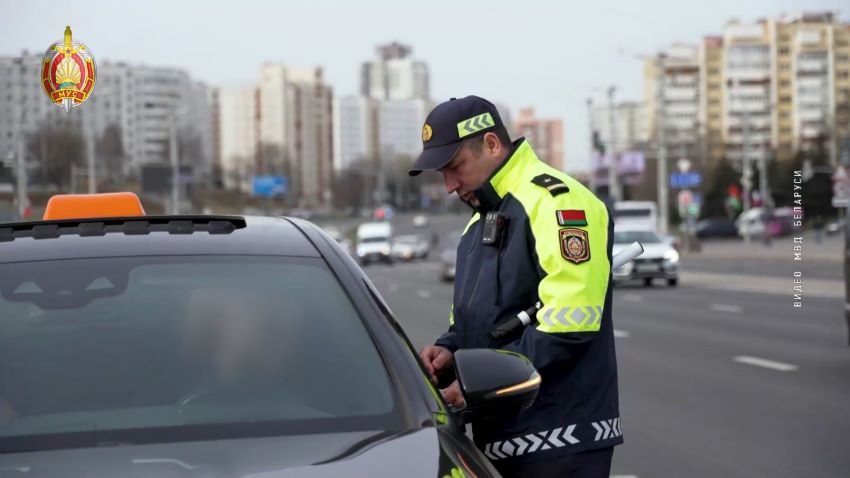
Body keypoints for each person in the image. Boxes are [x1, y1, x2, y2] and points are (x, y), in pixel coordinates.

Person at [410, 96, 621, 478]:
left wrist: (474, 386)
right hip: (501, 439)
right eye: (442, 173)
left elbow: (570, 326)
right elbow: (477, 326)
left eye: (455, 167)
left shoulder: (558, 202)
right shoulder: (479, 224)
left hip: (560, 440)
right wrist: (449, 352)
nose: (448, 186)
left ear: (491, 145)